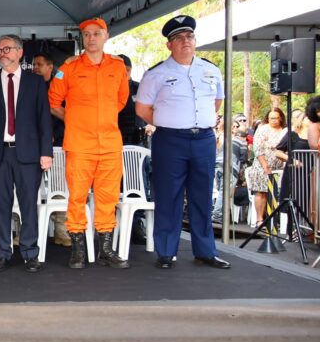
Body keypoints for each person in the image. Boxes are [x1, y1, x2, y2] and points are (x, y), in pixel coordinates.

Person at [135, 15, 228, 269]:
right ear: (169, 45)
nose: (185, 41)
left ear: (195, 41)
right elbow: (143, 109)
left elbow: (216, 102)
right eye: (178, 38)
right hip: (170, 140)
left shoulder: (210, 69)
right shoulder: (156, 74)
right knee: (169, 195)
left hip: (204, 139)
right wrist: (169, 121)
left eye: (189, 36)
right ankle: (166, 251)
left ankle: (205, 251)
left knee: (202, 195)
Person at [48, 18, 129, 269]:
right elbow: (53, 100)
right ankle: (78, 250)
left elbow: (122, 100)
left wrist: (101, 119)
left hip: (109, 144)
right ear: (82, 39)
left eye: (96, 33)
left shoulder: (117, 66)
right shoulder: (68, 67)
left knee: (108, 197)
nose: (91, 38)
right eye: (86, 34)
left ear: (106, 36)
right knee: (77, 197)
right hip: (80, 144)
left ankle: (105, 249)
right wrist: (73, 119)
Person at [0, 35, 53, 272]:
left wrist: (46, 152)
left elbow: (44, 119)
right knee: (2, 205)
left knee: (29, 203)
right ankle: (3, 253)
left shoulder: (35, 82)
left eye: (7, 49)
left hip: (28, 153)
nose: (2, 54)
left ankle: (30, 252)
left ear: (20, 52)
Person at [31, 50, 68, 246]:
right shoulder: (28, 85)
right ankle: (26, 231)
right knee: (28, 188)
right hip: (33, 145)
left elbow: (67, 113)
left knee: (59, 188)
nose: (35, 68)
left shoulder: (60, 85)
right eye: (34, 65)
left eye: (39, 64)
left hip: (58, 145)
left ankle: (61, 230)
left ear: (50, 66)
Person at [243, 108, 287, 229]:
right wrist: (264, 166)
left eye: (276, 118)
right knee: (261, 192)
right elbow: (257, 149)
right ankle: (259, 220)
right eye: (271, 118)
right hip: (262, 166)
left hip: (278, 166)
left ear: (281, 118)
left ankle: (274, 221)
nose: (274, 120)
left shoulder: (284, 130)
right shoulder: (263, 129)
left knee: (275, 193)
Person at [117, 54, 147, 147]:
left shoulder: (140, 87)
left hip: (138, 137)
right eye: (120, 70)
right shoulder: (108, 89)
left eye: (127, 70)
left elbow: (150, 109)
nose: (124, 73)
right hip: (116, 136)